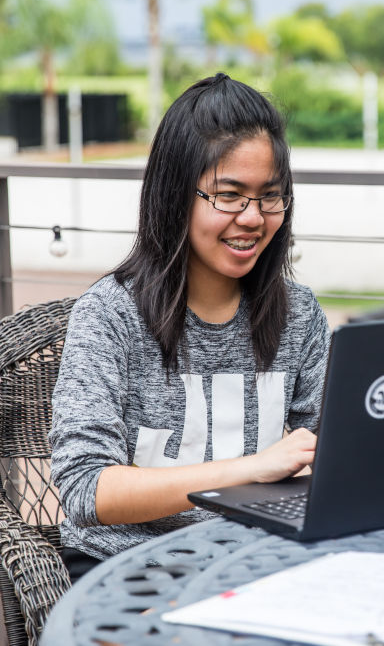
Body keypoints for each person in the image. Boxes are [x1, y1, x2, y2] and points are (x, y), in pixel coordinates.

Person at [50, 73, 330, 582]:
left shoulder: (299, 315)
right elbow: (87, 489)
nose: (253, 218)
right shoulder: (110, 315)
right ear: (177, 193)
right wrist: (250, 469)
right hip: (126, 570)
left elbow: (338, 451)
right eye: (229, 195)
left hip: (255, 564)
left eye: (270, 196)